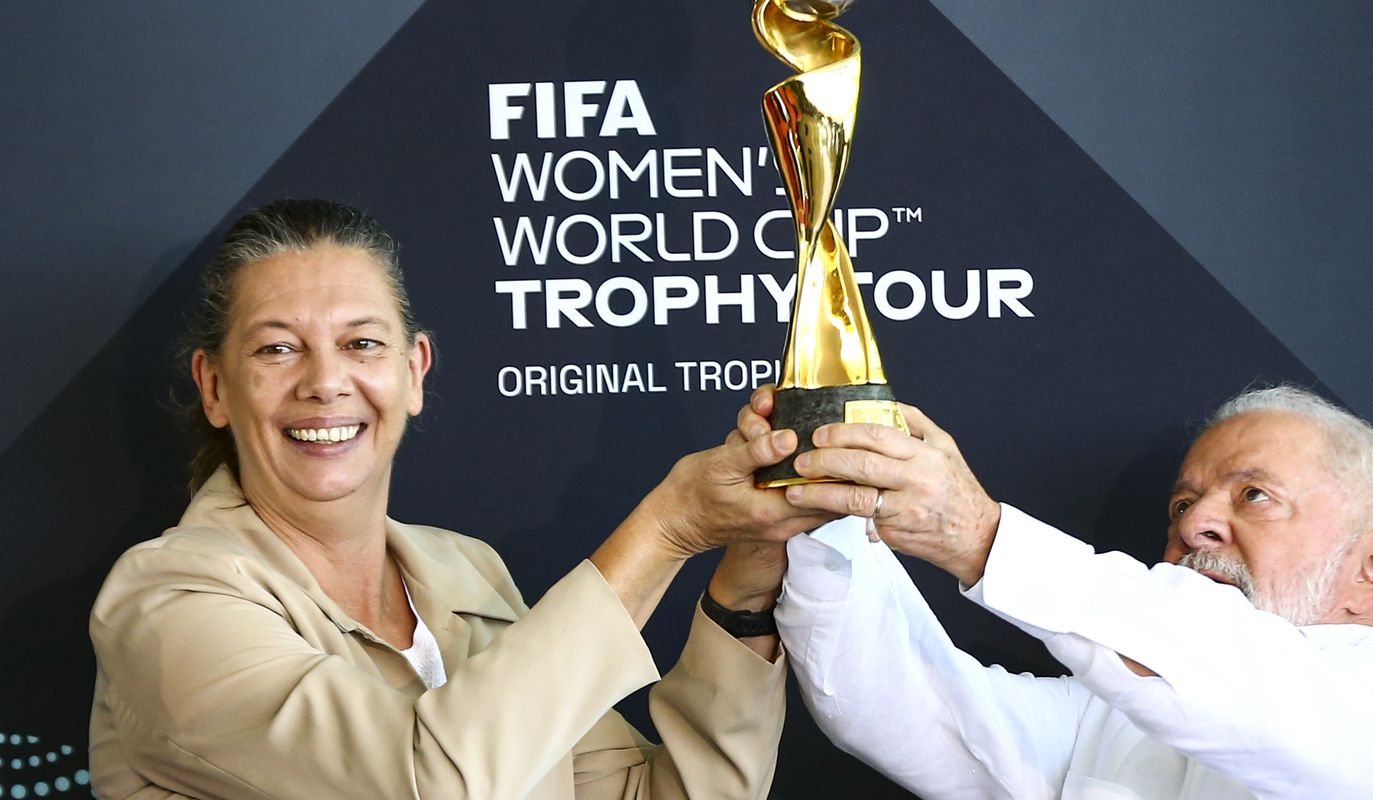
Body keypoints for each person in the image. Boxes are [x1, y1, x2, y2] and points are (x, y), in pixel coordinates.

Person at [87, 199, 829, 800]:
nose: (325, 382)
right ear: (215, 387)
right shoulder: (165, 603)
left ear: (414, 371)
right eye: (277, 348)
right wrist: (666, 530)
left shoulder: (464, 572)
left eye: (361, 344)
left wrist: (747, 579)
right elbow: (427, 783)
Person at [740, 384, 1373, 799]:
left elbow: (1242, 682)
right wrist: (829, 501)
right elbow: (907, 707)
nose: (1196, 524)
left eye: (1254, 496)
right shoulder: (1115, 712)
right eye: (1183, 504)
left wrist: (982, 536)